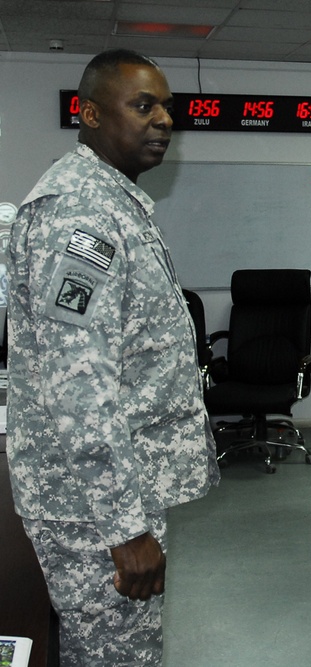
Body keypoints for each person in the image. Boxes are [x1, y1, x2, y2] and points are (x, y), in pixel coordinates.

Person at [5, 49, 220, 665]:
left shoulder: (113, 201)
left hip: (114, 486)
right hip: (94, 504)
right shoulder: (81, 214)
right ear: (90, 113)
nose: (163, 120)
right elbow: (79, 384)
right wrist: (124, 528)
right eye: (143, 105)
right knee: (115, 655)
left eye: (167, 107)